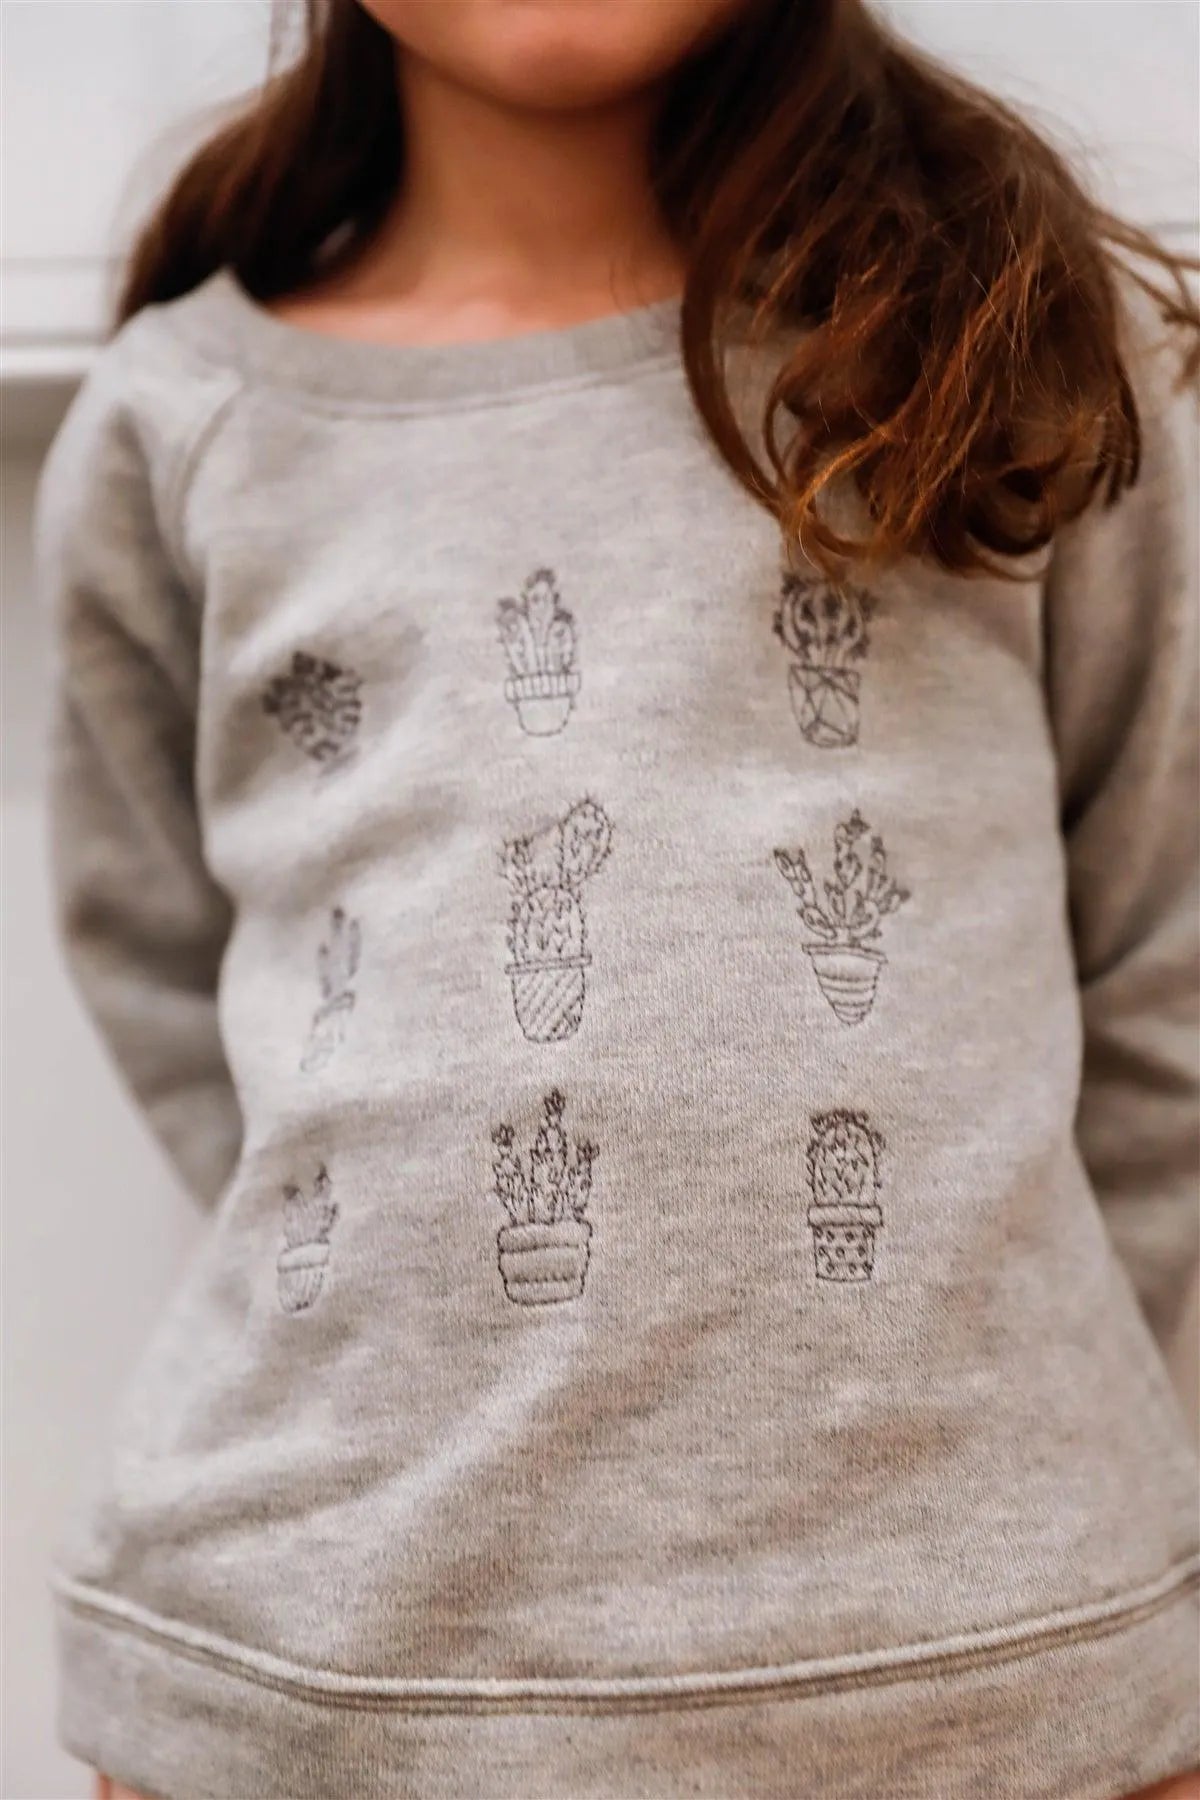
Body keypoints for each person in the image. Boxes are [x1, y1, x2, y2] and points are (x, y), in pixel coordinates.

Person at [35, 1, 1199, 1796]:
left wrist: (1053, 1522)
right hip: (308, 1686)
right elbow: (174, 979)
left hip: (1005, 1689)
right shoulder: (183, 425)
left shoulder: (1011, 336)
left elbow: (1165, 968)